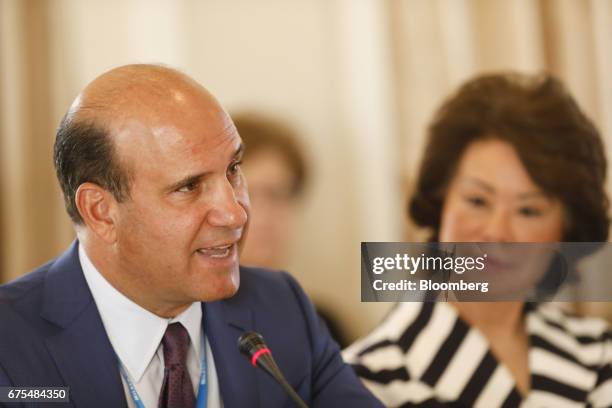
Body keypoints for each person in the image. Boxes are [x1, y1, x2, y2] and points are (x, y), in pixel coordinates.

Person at [0, 64, 383, 408]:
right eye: (189, 187)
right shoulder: (10, 341)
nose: (235, 212)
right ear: (101, 211)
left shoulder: (281, 308)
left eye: (233, 169)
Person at [343, 73, 612, 407]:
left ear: (564, 232)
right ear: (440, 203)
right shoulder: (365, 379)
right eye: (477, 201)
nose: (497, 232)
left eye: (528, 211)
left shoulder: (599, 355)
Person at [234, 112, 350, 348]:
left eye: (277, 195)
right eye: (248, 195)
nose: (264, 217)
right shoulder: (187, 330)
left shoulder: (321, 324)